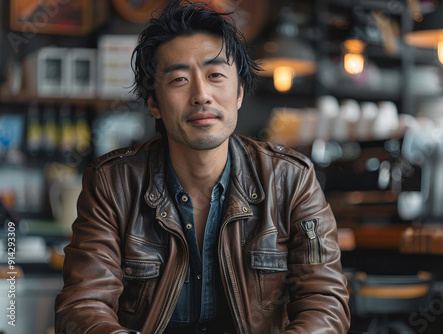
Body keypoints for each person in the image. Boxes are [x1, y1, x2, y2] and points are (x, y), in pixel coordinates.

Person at [54, 1, 350, 333]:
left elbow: (324, 302)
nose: (201, 95)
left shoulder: (292, 179)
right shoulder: (113, 183)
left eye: (215, 75)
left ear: (239, 92)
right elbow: (83, 305)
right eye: (179, 79)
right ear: (154, 103)